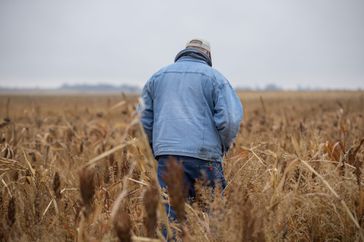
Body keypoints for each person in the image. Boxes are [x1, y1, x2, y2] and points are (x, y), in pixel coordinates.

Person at [140, 38, 243, 222]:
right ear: (208, 55)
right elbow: (230, 119)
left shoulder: (157, 77)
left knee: (170, 220)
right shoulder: (215, 77)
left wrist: (156, 149)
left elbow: (143, 120)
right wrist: (223, 147)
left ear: (183, 52)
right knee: (213, 217)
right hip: (204, 158)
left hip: (167, 158)